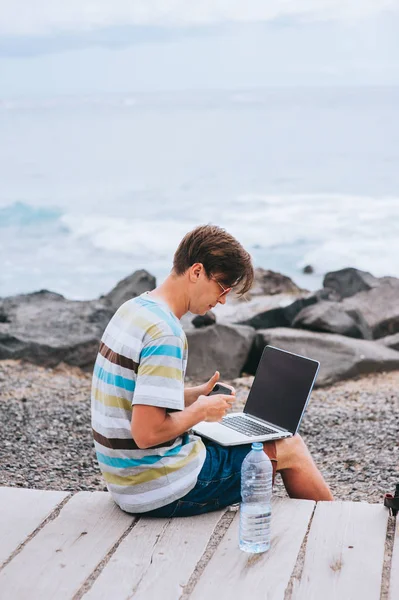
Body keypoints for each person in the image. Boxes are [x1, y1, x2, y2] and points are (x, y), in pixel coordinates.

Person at [91, 224, 333, 517]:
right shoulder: (165, 333)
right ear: (196, 272)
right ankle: (333, 527)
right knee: (290, 447)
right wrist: (201, 412)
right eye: (222, 288)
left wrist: (194, 396)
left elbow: (132, 395)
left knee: (242, 442)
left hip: (126, 481)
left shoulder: (134, 310)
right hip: (159, 488)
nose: (221, 300)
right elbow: (146, 433)